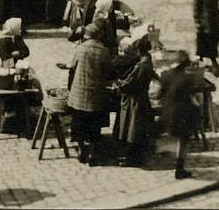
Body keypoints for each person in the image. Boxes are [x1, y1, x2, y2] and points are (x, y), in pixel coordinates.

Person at [66, 23, 114, 165]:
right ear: (99, 35)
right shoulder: (104, 51)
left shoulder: (80, 49)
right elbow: (108, 71)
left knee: (79, 123)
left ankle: (81, 150)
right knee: (95, 126)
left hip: (79, 93)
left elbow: (72, 66)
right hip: (96, 94)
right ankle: (93, 153)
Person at [113, 36, 157, 167]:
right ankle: (134, 156)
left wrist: (119, 84)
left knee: (132, 130)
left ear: (139, 51)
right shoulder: (146, 60)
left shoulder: (142, 65)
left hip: (135, 100)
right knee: (136, 129)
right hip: (140, 98)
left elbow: (130, 82)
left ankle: (132, 158)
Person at [157, 49, 198, 179]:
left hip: (167, 112)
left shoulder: (165, 75)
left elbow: (160, 94)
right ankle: (179, 169)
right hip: (181, 114)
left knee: (167, 135)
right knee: (183, 141)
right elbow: (190, 95)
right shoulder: (187, 78)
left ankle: (163, 153)